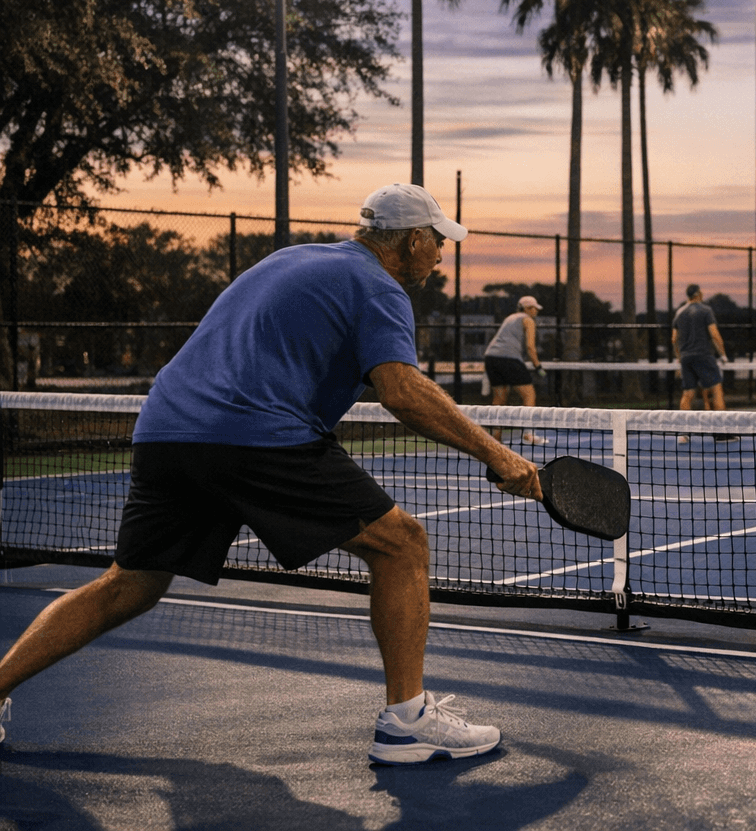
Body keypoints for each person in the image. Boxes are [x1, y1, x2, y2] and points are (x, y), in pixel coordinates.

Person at [0, 184, 543, 762]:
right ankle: (407, 721)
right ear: (411, 240)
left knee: (129, 583)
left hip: (166, 431)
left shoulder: (292, 258)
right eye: (437, 242)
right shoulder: (380, 289)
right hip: (256, 436)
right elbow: (402, 391)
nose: (440, 255)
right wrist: (498, 454)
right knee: (402, 545)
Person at [484, 294, 550, 444]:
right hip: (509, 359)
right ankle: (528, 434)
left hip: (491, 358)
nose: (536, 312)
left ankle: (495, 439)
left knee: (499, 399)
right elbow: (530, 347)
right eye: (534, 309)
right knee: (529, 395)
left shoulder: (510, 318)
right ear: (528, 308)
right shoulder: (528, 320)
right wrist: (538, 367)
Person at [671, 284, 732, 443]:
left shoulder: (679, 313)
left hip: (686, 358)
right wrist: (723, 355)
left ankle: (683, 434)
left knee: (688, 394)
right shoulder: (706, 311)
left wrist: (679, 357)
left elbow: (674, 339)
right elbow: (714, 334)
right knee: (717, 391)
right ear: (698, 294)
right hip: (703, 356)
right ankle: (721, 434)